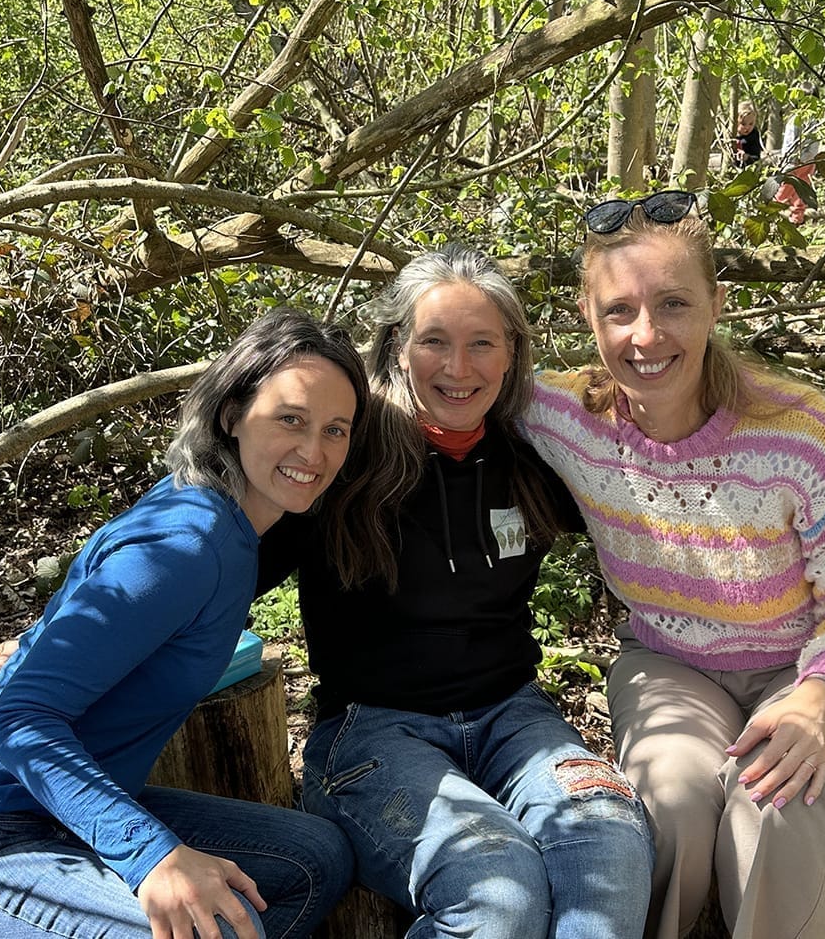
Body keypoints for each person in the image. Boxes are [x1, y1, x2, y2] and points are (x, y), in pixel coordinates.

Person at [0, 308, 368, 939]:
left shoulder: (228, 520)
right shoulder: (189, 542)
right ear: (232, 414)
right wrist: (156, 858)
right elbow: (18, 717)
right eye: (290, 419)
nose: (314, 451)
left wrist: (33, 643)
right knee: (217, 930)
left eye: (336, 429)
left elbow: (97, 610)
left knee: (312, 858)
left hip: (63, 816)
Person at [520, 193, 825, 939]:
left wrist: (816, 697)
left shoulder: (798, 431)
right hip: (672, 665)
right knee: (666, 807)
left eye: (672, 303)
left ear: (714, 305)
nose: (645, 335)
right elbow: (449, 384)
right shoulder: (562, 414)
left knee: (777, 803)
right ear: (585, 315)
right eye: (619, 310)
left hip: (814, 668)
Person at [264, 245, 654, 939]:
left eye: (481, 344)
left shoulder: (535, 454)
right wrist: (61, 636)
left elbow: (671, 490)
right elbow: (205, 552)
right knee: (497, 889)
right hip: (373, 730)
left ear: (511, 355)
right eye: (434, 342)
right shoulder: (341, 455)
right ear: (395, 347)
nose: (457, 367)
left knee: (613, 842)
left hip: (513, 718)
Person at [730, 103, 762, 168]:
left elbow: (756, 156)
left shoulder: (754, 135)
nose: (747, 127)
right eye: (743, 124)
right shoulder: (730, 134)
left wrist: (747, 157)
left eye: (751, 124)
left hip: (749, 167)